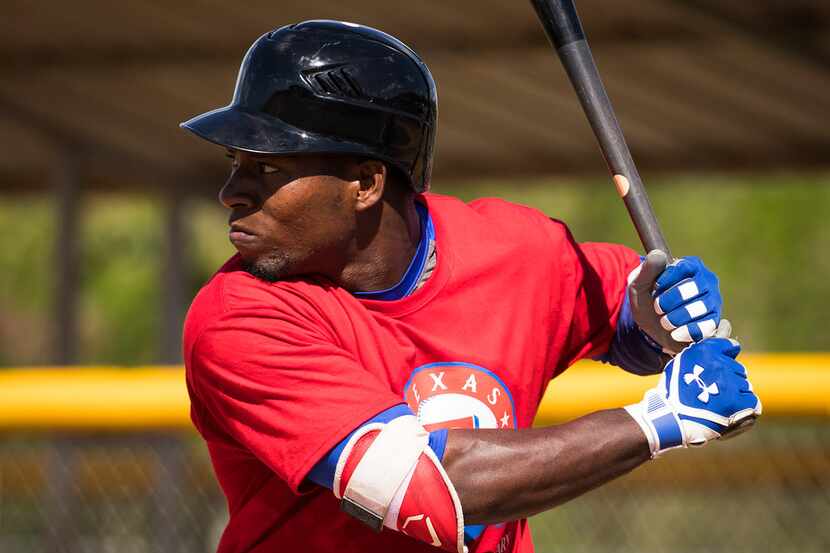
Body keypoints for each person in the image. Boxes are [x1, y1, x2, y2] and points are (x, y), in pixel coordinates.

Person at [180, 20, 761, 553]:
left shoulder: (517, 250)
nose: (232, 191)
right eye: (236, 161)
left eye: (269, 167)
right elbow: (430, 485)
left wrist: (658, 317)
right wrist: (658, 421)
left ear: (364, 182)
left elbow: (626, 318)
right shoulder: (238, 318)